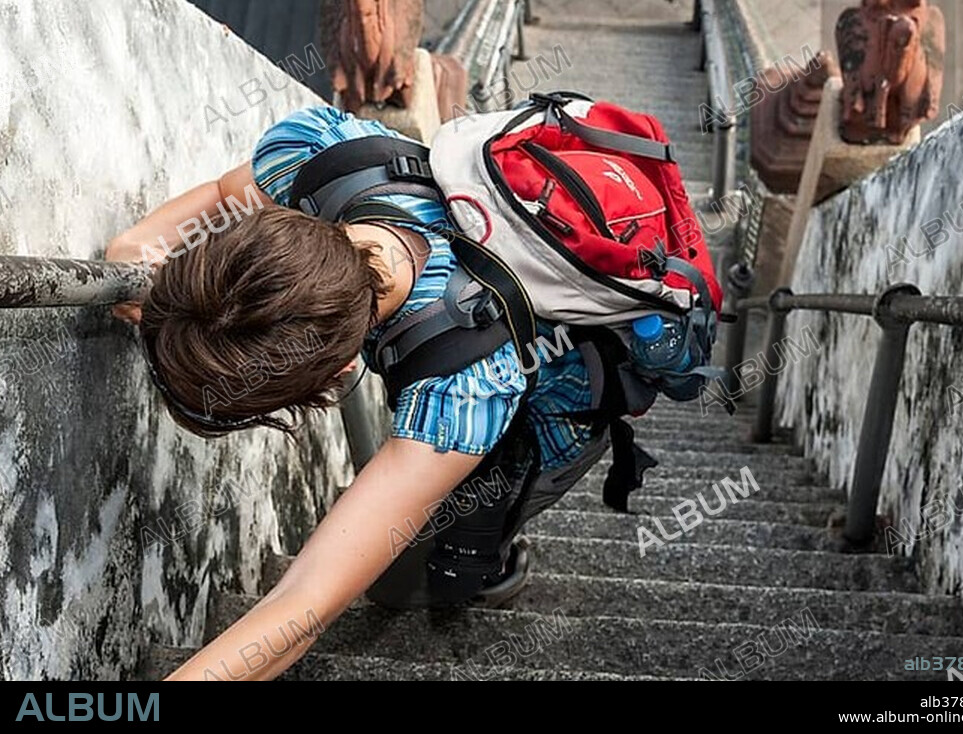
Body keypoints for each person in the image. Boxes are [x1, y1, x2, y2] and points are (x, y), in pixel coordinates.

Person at [105, 106, 605, 681]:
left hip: (562, 390)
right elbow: (224, 193)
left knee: (412, 579)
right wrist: (139, 247)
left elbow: (304, 604)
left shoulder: (464, 392)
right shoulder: (322, 154)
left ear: (343, 371)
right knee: (391, 544)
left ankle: (489, 556)